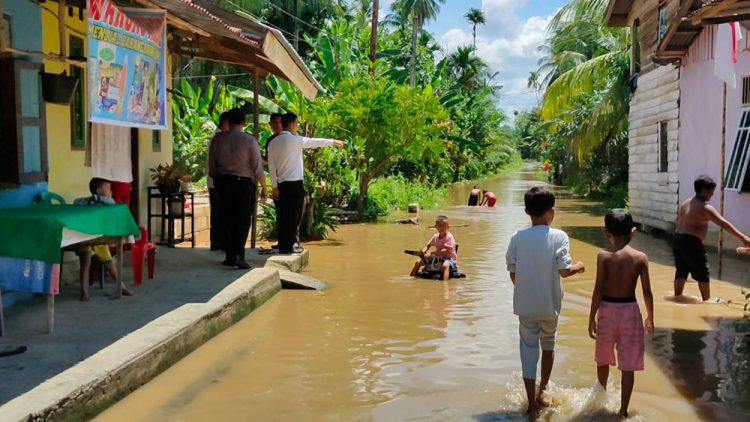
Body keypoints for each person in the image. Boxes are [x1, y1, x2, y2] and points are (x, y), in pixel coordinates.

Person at [505, 186, 585, 419]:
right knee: (548, 345)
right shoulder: (558, 236)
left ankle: (531, 405)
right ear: (551, 211)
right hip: (550, 306)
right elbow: (564, 271)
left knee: (527, 351)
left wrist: (527, 289)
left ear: (526, 211)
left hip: (525, 307)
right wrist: (580, 266)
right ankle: (543, 390)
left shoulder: (517, 238)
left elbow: (513, 274)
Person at [588, 209, 654, 418]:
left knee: (603, 359)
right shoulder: (640, 257)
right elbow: (647, 292)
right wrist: (650, 316)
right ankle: (623, 410)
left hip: (607, 311)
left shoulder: (603, 257)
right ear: (633, 232)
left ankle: (601, 401)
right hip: (630, 312)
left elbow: (598, 289)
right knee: (628, 365)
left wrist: (591, 316)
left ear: (606, 232)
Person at [267, 113, 345, 254]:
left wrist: (274, 186)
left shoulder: (273, 142)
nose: (297, 126)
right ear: (291, 124)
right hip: (295, 184)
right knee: (295, 216)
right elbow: (313, 141)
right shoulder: (295, 140)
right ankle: (288, 246)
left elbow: (271, 167)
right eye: (296, 123)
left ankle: (284, 245)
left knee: (283, 215)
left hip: (281, 184)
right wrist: (333, 141)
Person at [208, 108, 267, 269]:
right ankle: (239, 256)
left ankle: (230, 256)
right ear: (244, 122)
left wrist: (218, 180)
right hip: (243, 184)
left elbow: (211, 166)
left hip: (223, 183)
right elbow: (257, 167)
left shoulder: (217, 139)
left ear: (229, 120)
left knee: (227, 219)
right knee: (242, 221)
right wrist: (264, 187)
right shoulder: (249, 140)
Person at [673, 175, 750, 300]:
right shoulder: (705, 207)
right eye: (711, 191)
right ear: (704, 190)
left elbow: (678, 221)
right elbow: (723, 223)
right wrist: (743, 238)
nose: (712, 195)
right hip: (692, 242)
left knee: (681, 271)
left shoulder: (686, 203)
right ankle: (706, 302)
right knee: (703, 275)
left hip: (677, 239)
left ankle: (677, 297)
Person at [73, 177, 134, 301]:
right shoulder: (87, 202)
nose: (110, 192)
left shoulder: (107, 203)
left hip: (99, 239)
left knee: (109, 263)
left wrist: (98, 198)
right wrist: (93, 199)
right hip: (84, 237)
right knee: (86, 262)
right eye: (108, 188)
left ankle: (121, 286)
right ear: (99, 190)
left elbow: (111, 202)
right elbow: (76, 202)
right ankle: (84, 291)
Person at [409, 215, 458, 281]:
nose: (442, 227)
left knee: (445, 266)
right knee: (417, 262)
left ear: (448, 226)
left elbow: (446, 251)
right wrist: (423, 251)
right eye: (440, 225)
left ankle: (445, 283)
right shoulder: (435, 236)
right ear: (436, 227)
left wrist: (430, 254)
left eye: (444, 225)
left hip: (449, 258)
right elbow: (428, 246)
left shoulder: (449, 237)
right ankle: (411, 279)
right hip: (437, 257)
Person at [207, 112, 230, 251]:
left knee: (218, 213)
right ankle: (218, 242)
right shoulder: (219, 137)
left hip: (215, 180)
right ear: (225, 123)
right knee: (219, 213)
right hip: (217, 181)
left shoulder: (218, 136)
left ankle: (218, 242)